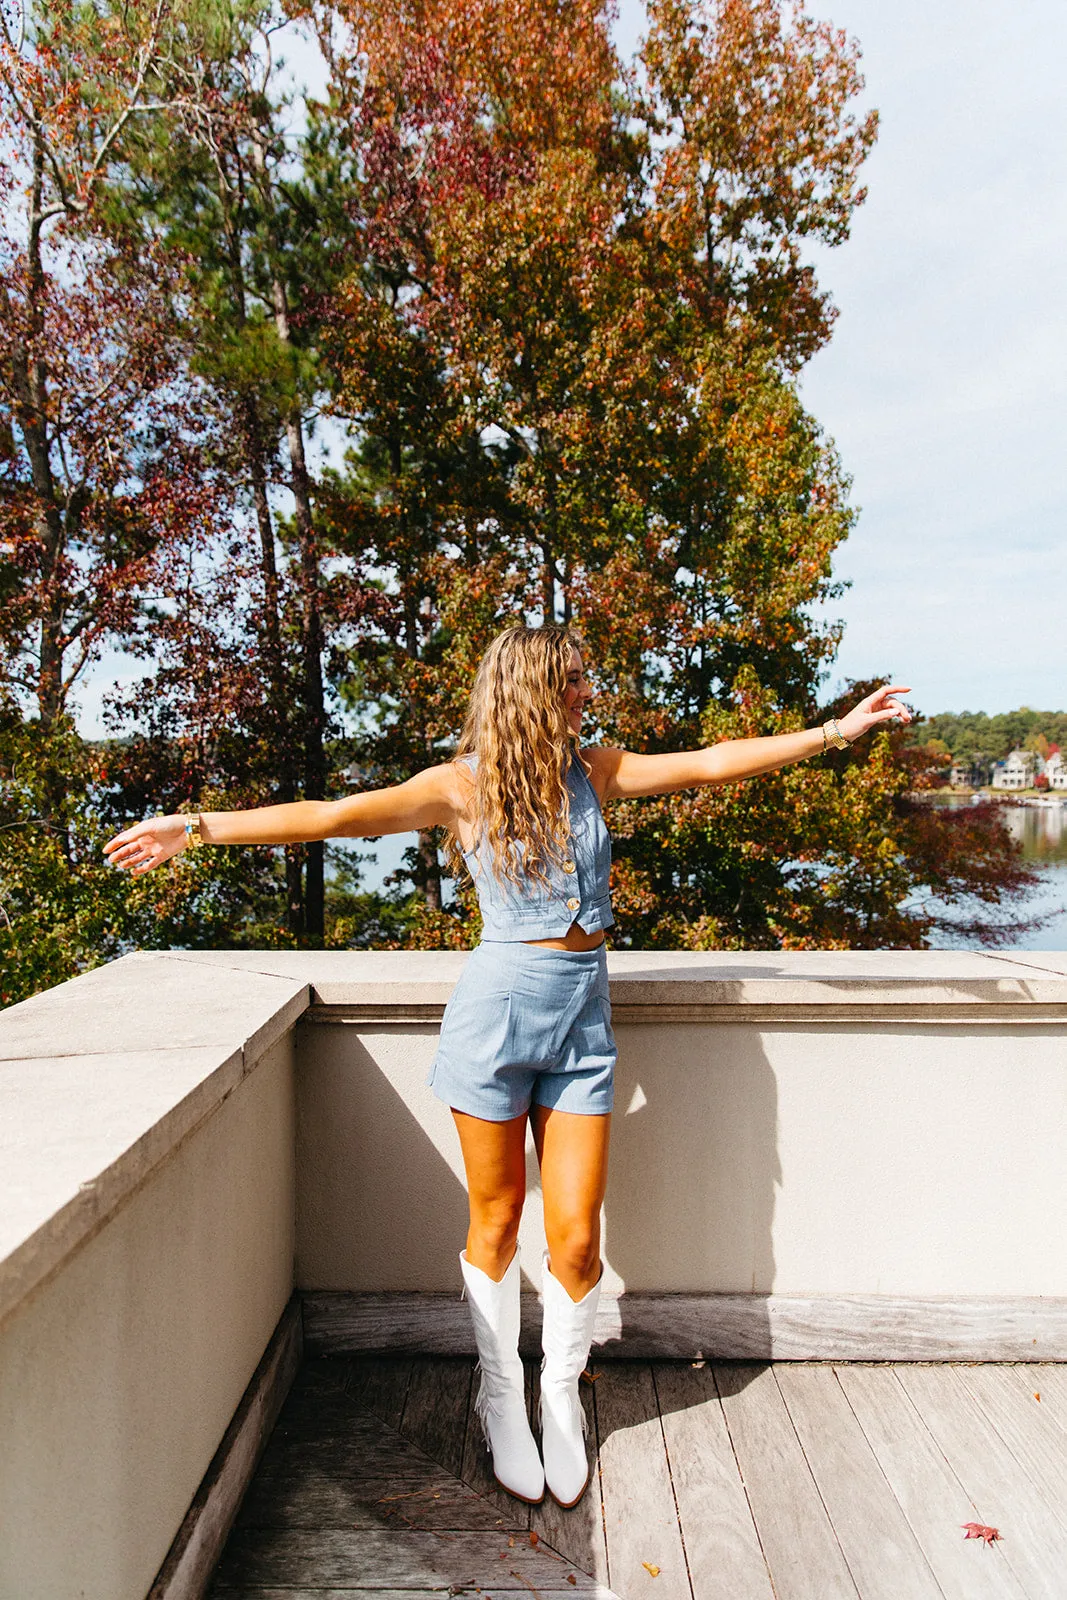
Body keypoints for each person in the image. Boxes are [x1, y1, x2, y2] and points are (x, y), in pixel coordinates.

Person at [104, 623, 911, 1509]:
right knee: (494, 1224)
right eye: (570, 683)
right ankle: (499, 1398)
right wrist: (194, 828)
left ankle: (558, 1396)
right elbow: (331, 817)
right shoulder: (457, 786)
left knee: (574, 1240)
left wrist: (834, 732)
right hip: (493, 1023)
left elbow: (712, 762)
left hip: (581, 1030)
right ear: (529, 688)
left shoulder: (592, 771)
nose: (584, 696)